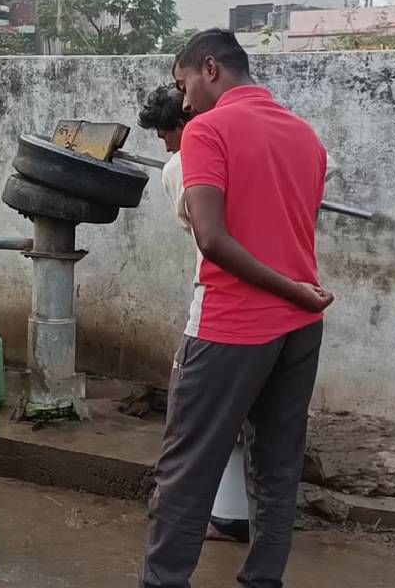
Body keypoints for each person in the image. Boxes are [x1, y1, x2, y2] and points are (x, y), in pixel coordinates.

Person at [140, 29, 333, 588]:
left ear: (210, 69)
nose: (182, 101)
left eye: (183, 85)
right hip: (301, 327)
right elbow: (287, 231)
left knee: (185, 472)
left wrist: (290, 291)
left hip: (232, 325)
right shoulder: (305, 136)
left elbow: (213, 240)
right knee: (276, 470)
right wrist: (297, 293)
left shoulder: (208, 130)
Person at [137, 85, 250, 545]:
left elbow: (208, 236)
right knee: (249, 420)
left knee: (191, 422)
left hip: (221, 306)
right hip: (280, 308)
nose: (164, 144)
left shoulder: (181, 165)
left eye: (166, 133)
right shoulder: (244, 146)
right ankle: (238, 518)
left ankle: (177, 531)